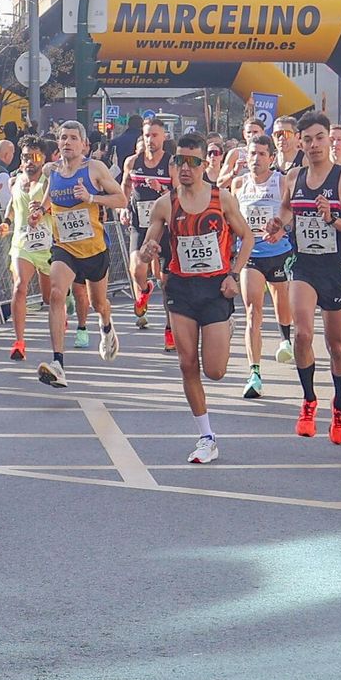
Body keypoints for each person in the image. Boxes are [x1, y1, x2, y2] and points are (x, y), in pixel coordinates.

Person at [138, 133, 255, 463]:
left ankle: (225, 328)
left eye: (192, 161)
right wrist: (147, 251)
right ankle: (206, 436)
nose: (185, 168)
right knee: (187, 364)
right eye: (179, 161)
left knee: (215, 371)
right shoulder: (166, 203)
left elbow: (247, 237)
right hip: (181, 289)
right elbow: (149, 245)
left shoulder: (223, 198)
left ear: (205, 165)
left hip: (216, 288)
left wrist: (234, 274)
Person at [264, 112, 341, 444]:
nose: (313, 145)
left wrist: (333, 219)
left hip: (335, 268)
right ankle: (308, 401)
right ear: (299, 141)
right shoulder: (293, 177)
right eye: (306, 139)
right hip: (303, 266)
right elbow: (285, 209)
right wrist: (277, 224)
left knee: (336, 344)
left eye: (319, 138)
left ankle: (339, 406)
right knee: (303, 334)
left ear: (331, 140)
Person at [35, 121, 128, 388]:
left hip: (94, 249)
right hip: (64, 247)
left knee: (99, 304)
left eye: (73, 138)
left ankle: (106, 325)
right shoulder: (50, 170)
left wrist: (91, 198)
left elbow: (121, 200)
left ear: (83, 144)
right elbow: (50, 196)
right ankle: (58, 364)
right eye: (63, 138)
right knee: (56, 293)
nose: (67, 143)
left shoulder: (94, 169)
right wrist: (39, 212)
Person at [232, 134, 293, 400]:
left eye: (261, 154)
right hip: (251, 255)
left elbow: (291, 211)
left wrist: (282, 228)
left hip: (279, 252)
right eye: (252, 154)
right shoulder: (238, 184)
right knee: (252, 311)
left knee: (282, 302)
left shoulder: (281, 181)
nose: (256, 159)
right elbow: (232, 218)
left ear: (271, 157)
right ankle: (254, 373)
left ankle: (285, 338)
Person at [0, 136, 54, 362]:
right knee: (20, 287)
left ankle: (62, 304)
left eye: (35, 157)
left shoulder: (49, 180)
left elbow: (51, 202)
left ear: (43, 159)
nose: (30, 161)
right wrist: (6, 222)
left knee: (49, 298)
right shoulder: (16, 180)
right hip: (22, 244)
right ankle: (19, 342)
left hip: (47, 246)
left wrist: (42, 211)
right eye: (26, 157)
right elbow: (12, 204)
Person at [122, 117, 172, 343]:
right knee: (136, 269)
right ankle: (144, 288)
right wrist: (124, 207)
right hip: (140, 224)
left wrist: (161, 188)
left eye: (154, 135)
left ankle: (170, 330)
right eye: (146, 135)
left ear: (164, 137)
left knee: (167, 281)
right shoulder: (133, 162)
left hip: (165, 226)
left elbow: (180, 194)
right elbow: (125, 185)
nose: (150, 140)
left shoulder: (171, 163)